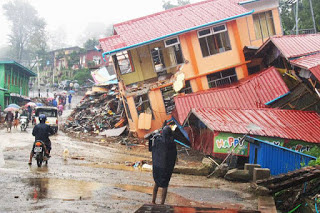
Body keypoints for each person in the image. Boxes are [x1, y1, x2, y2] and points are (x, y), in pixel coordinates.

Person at [150, 122, 177, 205]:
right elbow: (174, 155)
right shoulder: (172, 143)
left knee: (156, 183)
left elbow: (152, 149)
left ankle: (153, 201)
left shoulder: (158, 140)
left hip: (157, 166)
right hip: (166, 167)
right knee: (165, 185)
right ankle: (162, 203)